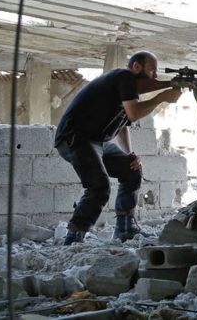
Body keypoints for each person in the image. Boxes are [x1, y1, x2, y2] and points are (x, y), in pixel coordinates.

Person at [54, 51, 181, 245]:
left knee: (131, 170)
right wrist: (162, 97)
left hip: (96, 142)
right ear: (137, 67)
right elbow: (134, 113)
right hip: (74, 138)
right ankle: (74, 235)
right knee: (99, 186)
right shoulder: (124, 77)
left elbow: (123, 124)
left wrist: (129, 154)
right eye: (152, 71)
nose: (155, 77)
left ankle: (125, 229)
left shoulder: (125, 89)